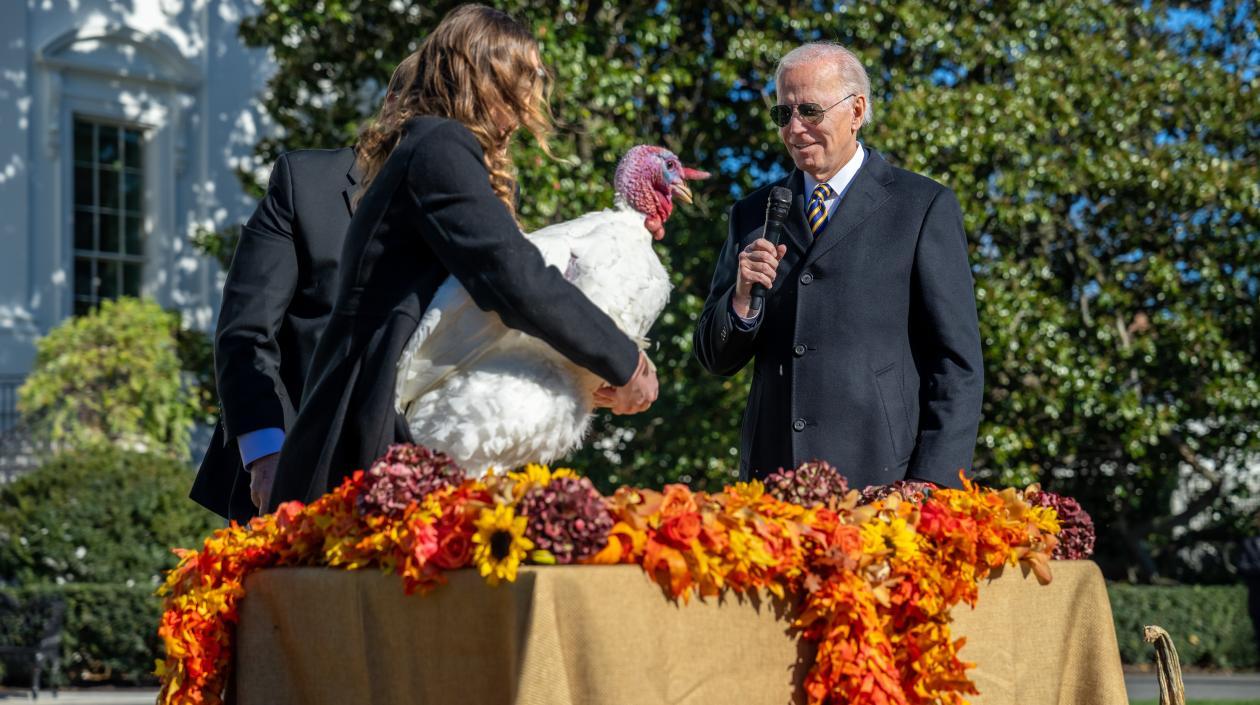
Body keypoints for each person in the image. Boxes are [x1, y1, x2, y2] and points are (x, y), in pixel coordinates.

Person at [266, 4, 657, 511]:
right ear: (486, 76)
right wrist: (625, 361)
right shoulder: (439, 145)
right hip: (363, 446)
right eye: (524, 82)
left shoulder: (428, 147)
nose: (525, 109)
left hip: (369, 438)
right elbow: (513, 277)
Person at [693, 42, 983, 489]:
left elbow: (957, 366)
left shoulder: (922, 207)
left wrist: (931, 485)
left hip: (884, 484)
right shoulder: (752, 214)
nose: (795, 128)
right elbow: (715, 357)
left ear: (857, 110)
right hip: (774, 483)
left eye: (810, 110)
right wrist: (742, 299)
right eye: (783, 115)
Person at [190, 55, 419, 521]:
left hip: (423, 483)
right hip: (297, 480)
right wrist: (268, 455)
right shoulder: (306, 183)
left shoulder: (471, 206)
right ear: (392, 102)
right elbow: (246, 332)